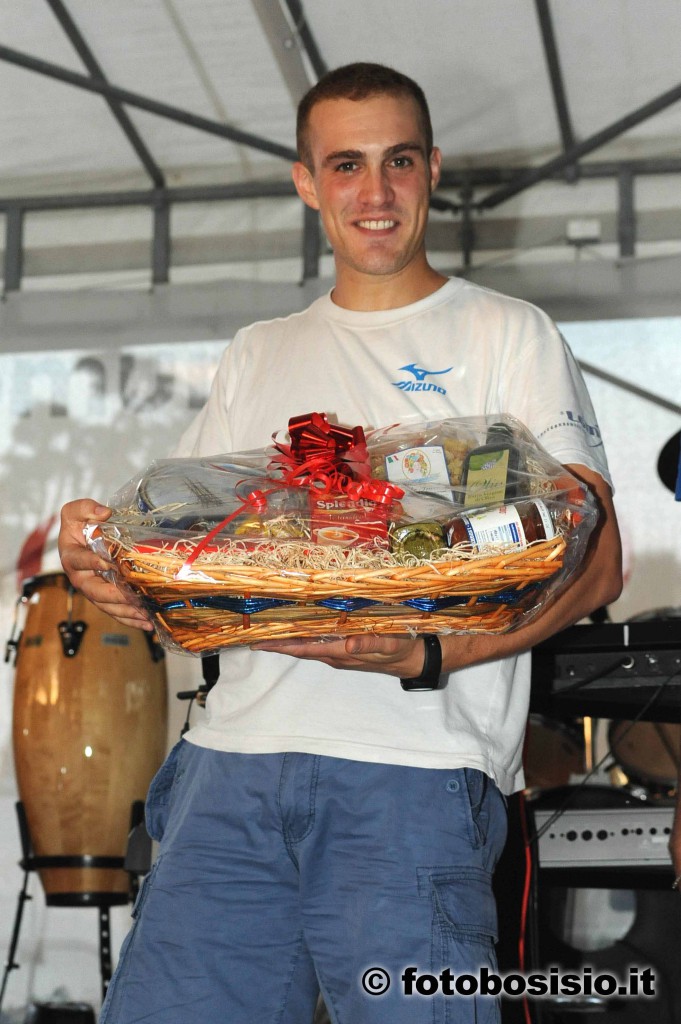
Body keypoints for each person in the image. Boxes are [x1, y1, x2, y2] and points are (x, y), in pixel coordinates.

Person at [59, 63, 623, 1024]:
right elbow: (188, 547)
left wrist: (433, 654)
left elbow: (595, 559)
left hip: (412, 777)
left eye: (398, 161)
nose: (375, 192)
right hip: (228, 770)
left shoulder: (507, 333)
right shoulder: (259, 349)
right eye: (346, 165)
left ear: (432, 169)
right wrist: (104, 559)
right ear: (305, 182)